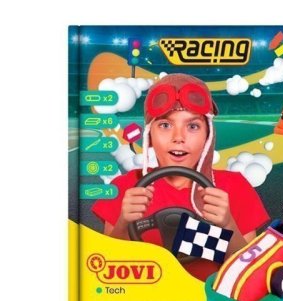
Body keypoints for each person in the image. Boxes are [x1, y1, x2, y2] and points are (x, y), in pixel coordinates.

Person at [92, 73, 269, 280]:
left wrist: (228, 225)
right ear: (149, 134)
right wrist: (123, 223)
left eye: (192, 126)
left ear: (208, 135)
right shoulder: (125, 187)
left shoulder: (235, 187)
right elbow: (107, 269)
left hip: (209, 298)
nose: (178, 138)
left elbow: (249, 274)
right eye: (165, 125)